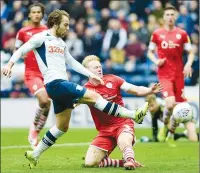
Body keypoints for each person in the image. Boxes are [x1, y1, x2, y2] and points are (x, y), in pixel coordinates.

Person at [2, 9, 149, 169]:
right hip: (56, 83)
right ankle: (133, 115)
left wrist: (89, 74)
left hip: (58, 88)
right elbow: (22, 49)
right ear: (55, 23)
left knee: (62, 127)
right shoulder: (41, 37)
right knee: (95, 97)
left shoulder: (61, 43)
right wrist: (9, 64)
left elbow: (72, 62)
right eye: (65, 25)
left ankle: (34, 154)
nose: (67, 28)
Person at [82, 55, 162, 170]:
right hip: (105, 130)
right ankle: (121, 162)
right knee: (90, 163)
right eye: (95, 67)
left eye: (100, 67)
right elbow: (72, 104)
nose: (99, 69)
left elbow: (135, 89)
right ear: (87, 71)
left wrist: (149, 90)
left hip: (122, 124)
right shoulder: (85, 90)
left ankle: (130, 160)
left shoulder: (113, 79)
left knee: (124, 141)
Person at [147, 5, 195, 147]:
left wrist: (188, 64)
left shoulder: (183, 34)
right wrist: (156, 61)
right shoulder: (156, 34)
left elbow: (190, 52)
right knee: (169, 102)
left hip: (179, 74)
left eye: (172, 14)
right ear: (163, 17)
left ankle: (170, 134)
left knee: (178, 106)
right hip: (164, 74)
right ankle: (165, 129)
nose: (169, 17)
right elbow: (149, 52)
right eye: (167, 14)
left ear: (176, 17)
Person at [14, 3, 49, 149]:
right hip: (32, 73)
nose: (36, 14)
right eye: (33, 12)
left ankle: (36, 132)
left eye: (38, 12)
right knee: (43, 99)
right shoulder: (23, 32)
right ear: (29, 15)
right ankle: (34, 127)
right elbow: (17, 50)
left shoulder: (48, 31)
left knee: (48, 105)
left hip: (47, 73)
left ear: (42, 14)